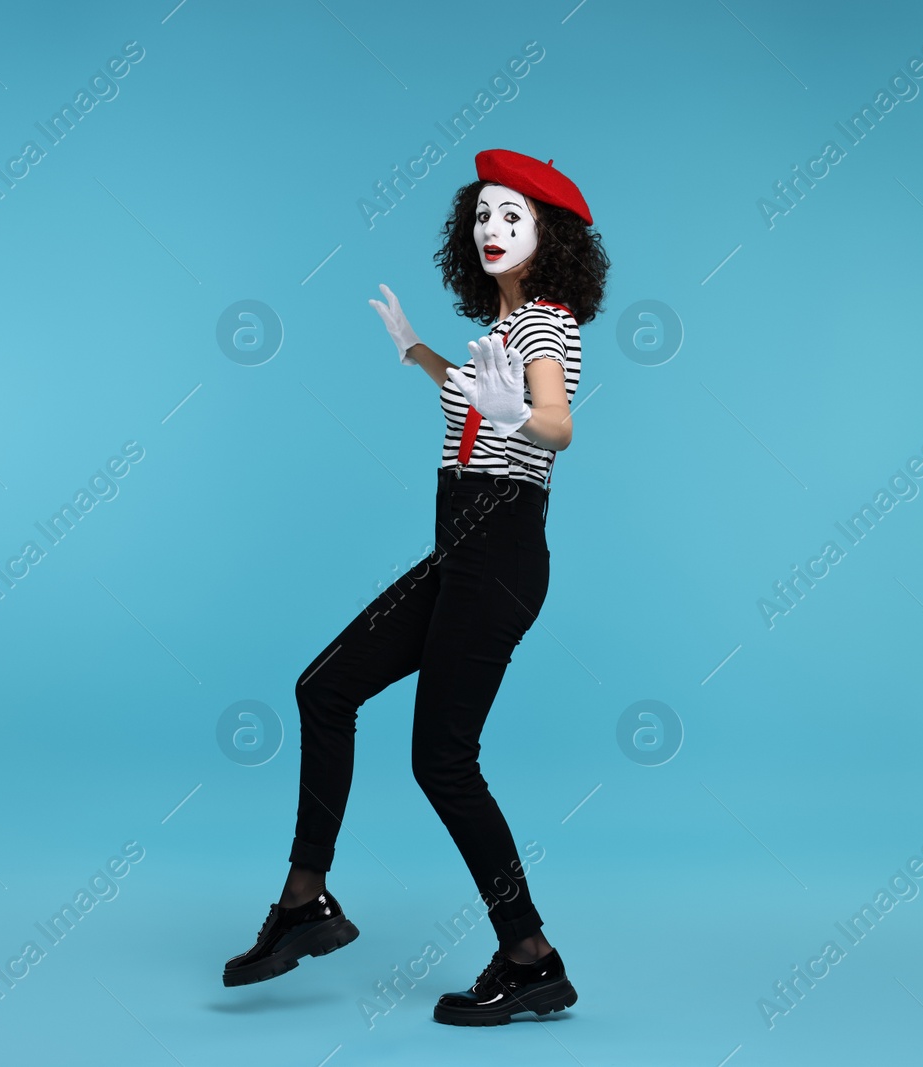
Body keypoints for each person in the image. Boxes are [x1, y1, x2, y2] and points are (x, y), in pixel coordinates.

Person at [223, 149, 609, 1027]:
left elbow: (557, 423)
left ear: (547, 239)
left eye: (513, 218)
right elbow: (478, 393)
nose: (492, 230)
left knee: (442, 757)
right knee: (325, 687)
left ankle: (530, 954)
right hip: (460, 554)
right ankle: (305, 902)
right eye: (483, 215)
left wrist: (522, 416)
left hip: (501, 554)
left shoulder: (545, 325)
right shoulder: (500, 334)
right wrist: (418, 353)